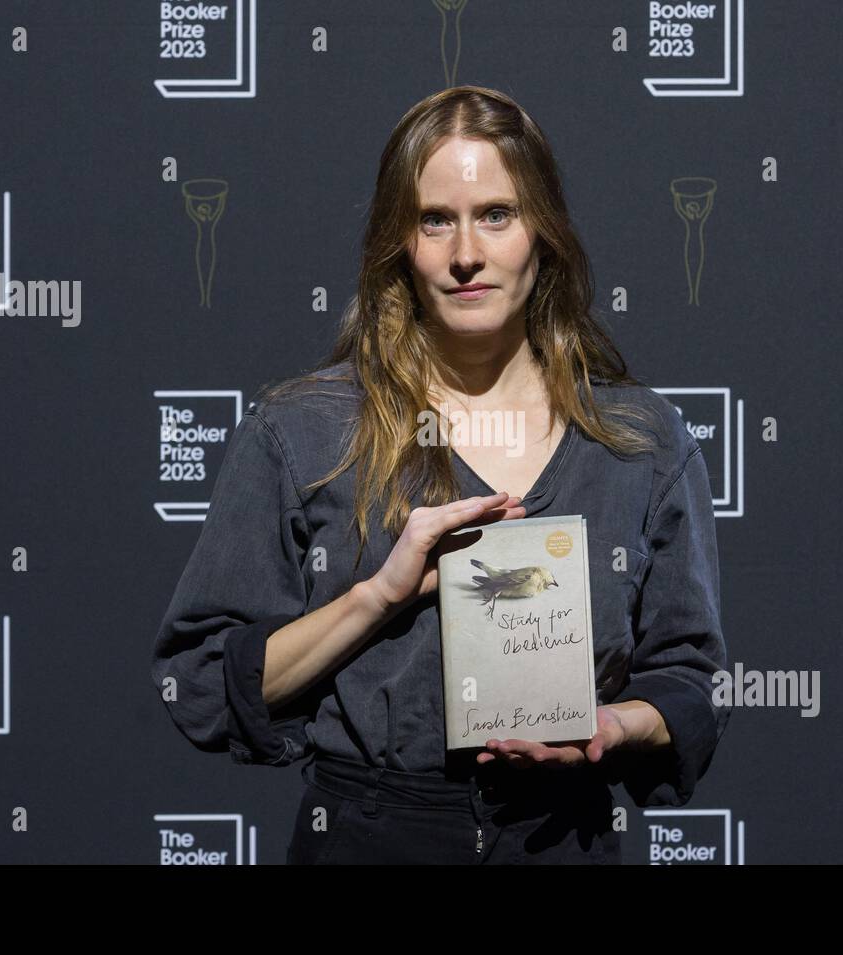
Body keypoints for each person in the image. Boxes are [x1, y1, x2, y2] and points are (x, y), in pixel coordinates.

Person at [151, 86, 731, 865]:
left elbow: (689, 679)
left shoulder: (640, 441)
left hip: (563, 838)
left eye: (497, 213)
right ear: (400, 243)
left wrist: (616, 725)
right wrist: (375, 597)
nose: (466, 252)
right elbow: (199, 682)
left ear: (545, 234)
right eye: (435, 219)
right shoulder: (303, 430)